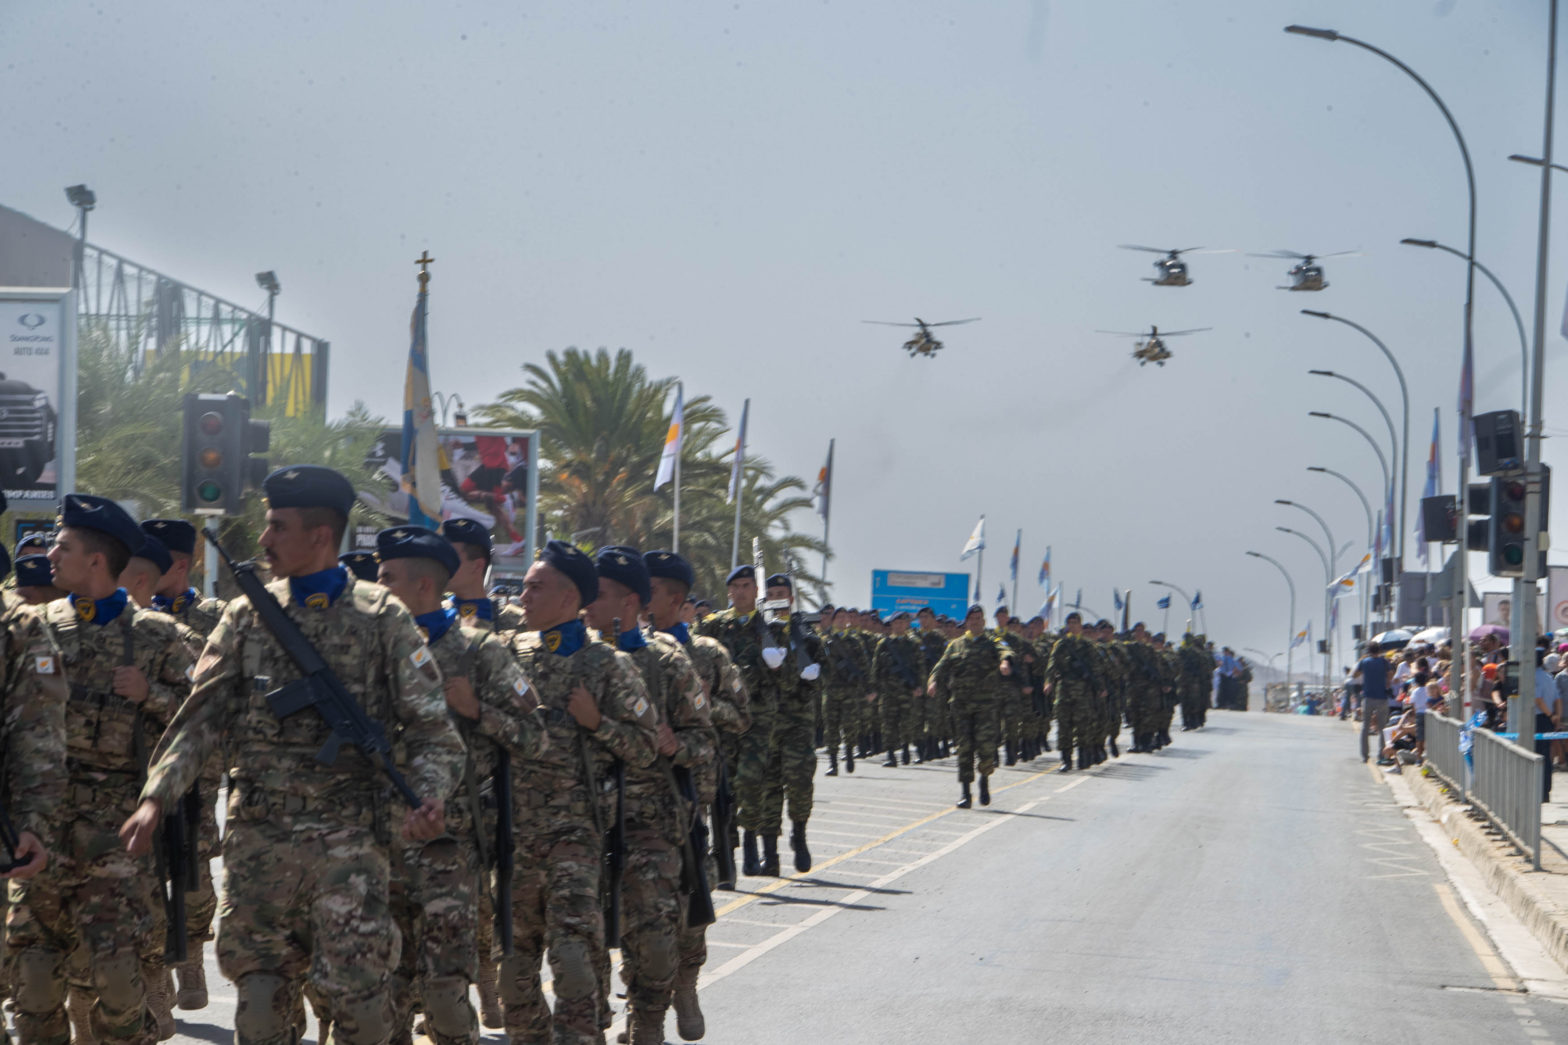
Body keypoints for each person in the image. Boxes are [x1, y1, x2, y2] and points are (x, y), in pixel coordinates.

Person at [120, 466, 465, 1045]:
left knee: (361, 1010)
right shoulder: (244, 615)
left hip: (350, 841)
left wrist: (428, 792)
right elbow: (199, 719)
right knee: (258, 1010)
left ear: (321, 536)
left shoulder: (382, 618)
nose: (263, 538)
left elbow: (434, 731)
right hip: (261, 843)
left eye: (277, 526)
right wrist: (156, 798)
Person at [13, 496, 195, 1045]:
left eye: (62, 547)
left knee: (117, 982)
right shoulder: (33, 627)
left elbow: (203, 723)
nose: (51, 556)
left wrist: (153, 694)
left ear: (96, 560)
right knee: (35, 981)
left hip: (117, 834)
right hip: (40, 826)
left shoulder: (160, 635)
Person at [375, 526, 546, 1045]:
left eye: (387, 578)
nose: (376, 587)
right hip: (375, 843)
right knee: (379, 997)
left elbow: (536, 737)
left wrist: (480, 712)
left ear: (424, 586)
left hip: (453, 846)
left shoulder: (480, 650)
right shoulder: (368, 644)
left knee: (447, 997)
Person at [501, 540, 659, 1045]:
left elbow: (646, 746)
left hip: (575, 837)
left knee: (572, 962)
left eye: (534, 587)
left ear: (569, 599)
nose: (522, 596)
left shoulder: (608, 666)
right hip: (513, 837)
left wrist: (597, 723)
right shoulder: (505, 654)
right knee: (514, 975)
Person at [584, 546, 714, 1044]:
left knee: (655, 936)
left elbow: (705, 739)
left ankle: (649, 1020)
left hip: (652, 823)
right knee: (584, 938)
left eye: (598, 594)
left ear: (629, 602)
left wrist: (677, 744)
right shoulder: (576, 657)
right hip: (582, 822)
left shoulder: (667, 661)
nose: (587, 603)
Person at [644, 549, 745, 1041]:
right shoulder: (628, 648)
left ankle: (685, 985)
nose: (643, 598)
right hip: (635, 801)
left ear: (678, 599)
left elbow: (740, 713)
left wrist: (705, 702)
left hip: (693, 798)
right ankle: (644, 1017)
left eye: (654, 590)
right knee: (643, 920)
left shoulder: (708, 653)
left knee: (689, 913)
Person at [929, 605, 1004, 806]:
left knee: (986, 748)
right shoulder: (956, 645)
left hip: (985, 705)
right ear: (967, 622)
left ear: (984, 622)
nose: (976, 622)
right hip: (961, 705)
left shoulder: (992, 642)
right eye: (972, 619)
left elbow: (1005, 650)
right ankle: (966, 793)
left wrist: (1005, 662)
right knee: (964, 748)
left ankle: (984, 781)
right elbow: (942, 666)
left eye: (979, 618)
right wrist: (934, 681)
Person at [142, 520, 226, 638]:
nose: (146, 568)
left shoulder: (221, 616)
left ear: (181, 566)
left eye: (156, 560)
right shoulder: (137, 618)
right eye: (144, 560)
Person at [441, 519, 526, 636]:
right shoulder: (437, 615)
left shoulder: (517, 621)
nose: (442, 564)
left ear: (477, 565)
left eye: (450, 557)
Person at [1353, 641, 1393, 764]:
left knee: (1365, 727)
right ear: (1379, 650)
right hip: (1382, 697)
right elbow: (1390, 675)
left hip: (1368, 697)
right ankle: (1381, 754)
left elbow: (1355, 675)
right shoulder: (1384, 662)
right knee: (1382, 728)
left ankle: (1365, 755)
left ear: (1368, 651)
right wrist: (1386, 682)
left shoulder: (1364, 662)